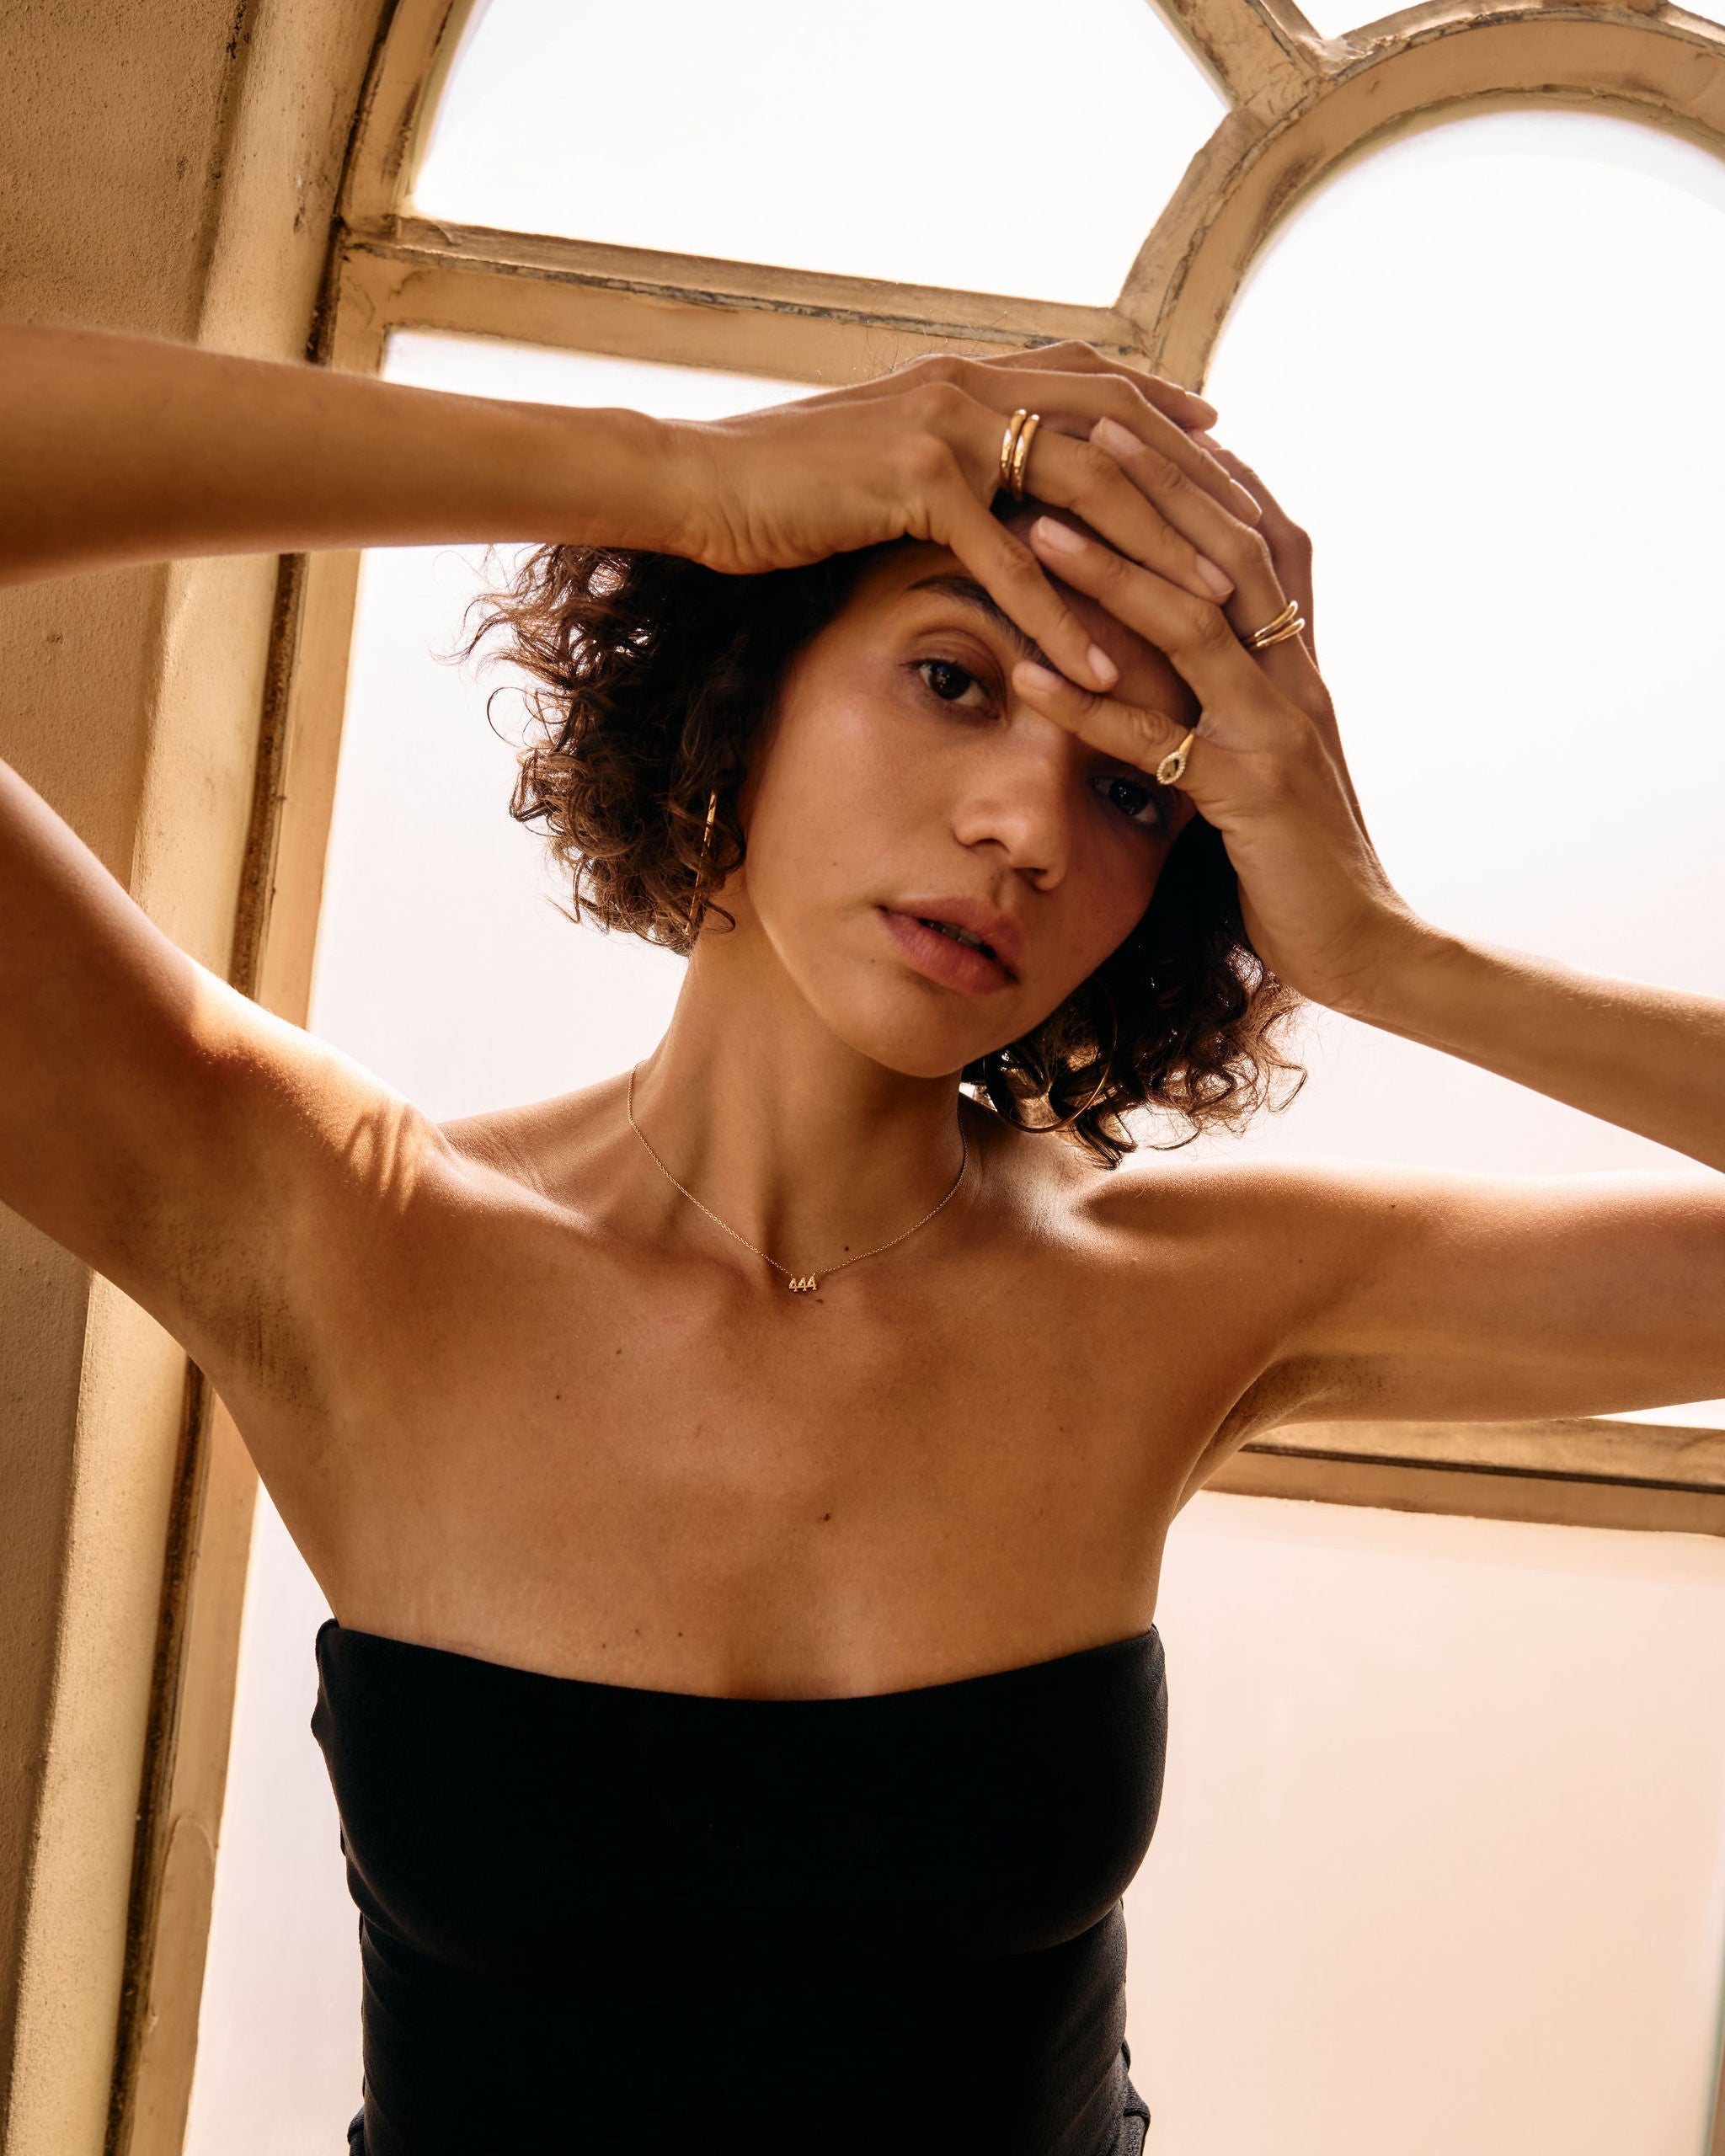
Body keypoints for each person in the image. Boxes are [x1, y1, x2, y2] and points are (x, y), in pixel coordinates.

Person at [2, 323, 1721, 2156]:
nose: (1024, 824)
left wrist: (1383, 951)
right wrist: (676, 475)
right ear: (744, 684)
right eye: (952, 676)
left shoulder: (1188, 1292)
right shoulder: (344, 1237)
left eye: (1133, 784)